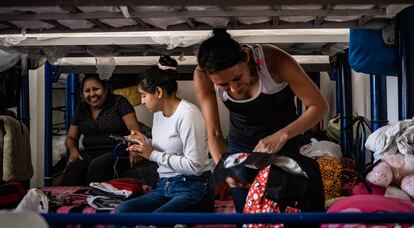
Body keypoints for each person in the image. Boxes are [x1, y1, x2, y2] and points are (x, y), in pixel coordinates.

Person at [194, 28, 329, 212]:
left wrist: (281, 136)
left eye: (237, 78)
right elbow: (215, 133)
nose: (234, 89)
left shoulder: (274, 61)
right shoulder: (203, 75)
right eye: (223, 85)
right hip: (241, 147)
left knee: (285, 209)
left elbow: (319, 106)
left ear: (247, 56)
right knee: (247, 214)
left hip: (283, 143)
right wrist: (225, 167)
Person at [116, 55, 214, 213]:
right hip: (164, 186)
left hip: (193, 187)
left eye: (143, 95)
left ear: (158, 92)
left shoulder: (188, 114)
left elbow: (195, 166)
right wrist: (144, 142)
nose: (142, 101)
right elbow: (169, 146)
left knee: (157, 219)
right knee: (123, 211)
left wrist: (152, 154)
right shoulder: (159, 113)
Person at [60, 74, 142, 186]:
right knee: (75, 167)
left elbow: (134, 128)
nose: (92, 94)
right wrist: (73, 151)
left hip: (116, 152)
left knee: (98, 165)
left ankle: (94, 200)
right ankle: (70, 201)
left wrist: (134, 148)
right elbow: (71, 137)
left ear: (105, 89)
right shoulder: (81, 109)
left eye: (96, 89)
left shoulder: (119, 102)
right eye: (87, 91)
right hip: (90, 152)